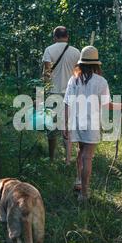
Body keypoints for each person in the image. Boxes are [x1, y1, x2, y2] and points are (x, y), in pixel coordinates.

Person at [63, 46, 122, 202]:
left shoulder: (73, 80)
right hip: (92, 124)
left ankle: (79, 181)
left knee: (81, 153)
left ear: (81, 63)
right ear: (96, 63)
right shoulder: (101, 81)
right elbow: (107, 105)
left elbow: (67, 103)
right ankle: (84, 194)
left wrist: (65, 125)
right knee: (87, 157)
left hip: (76, 122)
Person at [42, 26, 81, 164]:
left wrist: (44, 89)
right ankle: (68, 160)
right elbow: (78, 75)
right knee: (68, 126)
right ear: (67, 36)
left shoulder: (49, 50)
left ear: (55, 37)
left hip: (53, 93)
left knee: (52, 127)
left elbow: (47, 73)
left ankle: (51, 158)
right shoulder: (76, 52)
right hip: (71, 93)